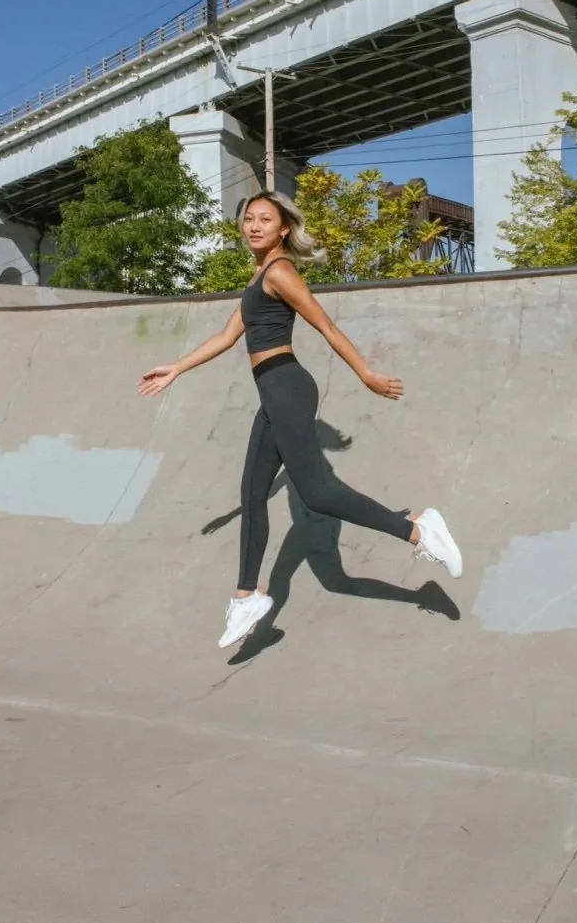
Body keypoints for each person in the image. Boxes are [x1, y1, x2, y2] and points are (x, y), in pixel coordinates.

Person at [137, 189, 463, 649]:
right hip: (273, 392)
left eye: (264, 219)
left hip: (287, 386)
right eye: (248, 218)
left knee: (318, 494)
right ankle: (247, 597)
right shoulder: (258, 276)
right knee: (253, 494)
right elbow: (227, 337)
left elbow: (325, 325)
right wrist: (176, 368)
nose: (253, 226)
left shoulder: (280, 272)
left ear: (283, 228)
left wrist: (366, 374)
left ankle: (418, 530)